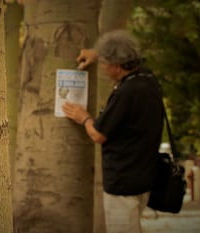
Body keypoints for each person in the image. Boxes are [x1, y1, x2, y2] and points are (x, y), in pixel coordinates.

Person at [62, 30, 164, 233]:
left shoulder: (126, 93)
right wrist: (98, 53)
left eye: (104, 64)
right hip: (143, 178)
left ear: (117, 66)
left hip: (123, 185)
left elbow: (98, 134)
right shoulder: (148, 79)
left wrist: (83, 117)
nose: (102, 68)